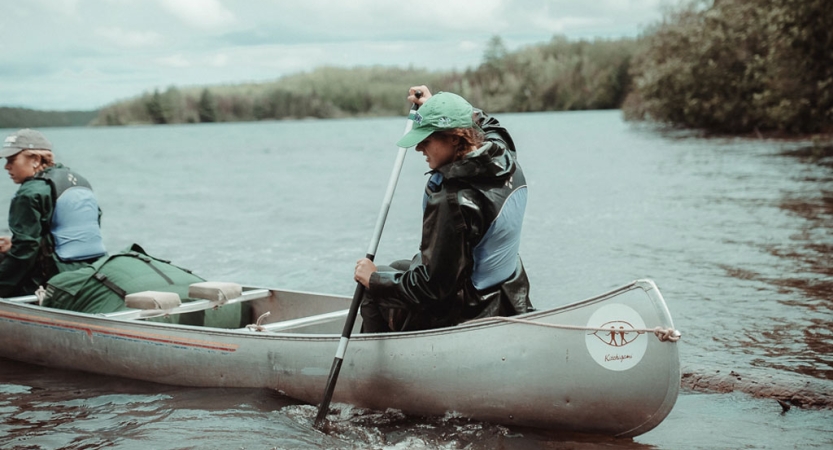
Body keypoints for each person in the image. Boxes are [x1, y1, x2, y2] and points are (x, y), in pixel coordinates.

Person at [354, 86, 533, 332]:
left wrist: (374, 281)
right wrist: (435, 107)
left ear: (454, 136)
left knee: (373, 286)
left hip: (469, 310)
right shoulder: (503, 156)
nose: (418, 148)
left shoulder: (454, 200)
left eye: (426, 140)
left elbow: (432, 289)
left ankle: (372, 364)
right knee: (397, 267)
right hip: (508, 295)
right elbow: (488, 124)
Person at [0, 129, 106, 298]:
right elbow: (75, 231)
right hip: (95, 268)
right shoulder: (80, 181)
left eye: (12, 160)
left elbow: (25, 251)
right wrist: (15, 243)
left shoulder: (28, 193)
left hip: (53, 276)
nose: (6, 166)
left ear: (35, 159)